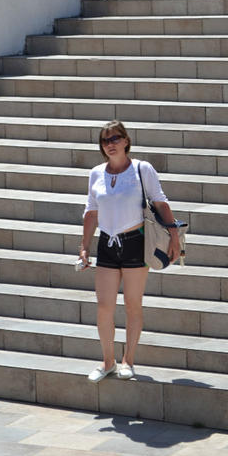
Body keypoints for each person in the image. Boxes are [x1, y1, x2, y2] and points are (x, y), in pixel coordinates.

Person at [78, 120, 180, 382]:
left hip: (136, 241)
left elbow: (161, 203)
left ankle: (128, 360)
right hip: (107, 243)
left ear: (125, 141)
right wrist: (84, 247)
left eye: (115, 139)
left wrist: (175, 239)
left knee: (133, 304)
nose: (110, 144)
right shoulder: (96, 173)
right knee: (104, 306)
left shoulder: (141, 169)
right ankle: (108, 360)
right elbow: (91, 212)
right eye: (105, 140)